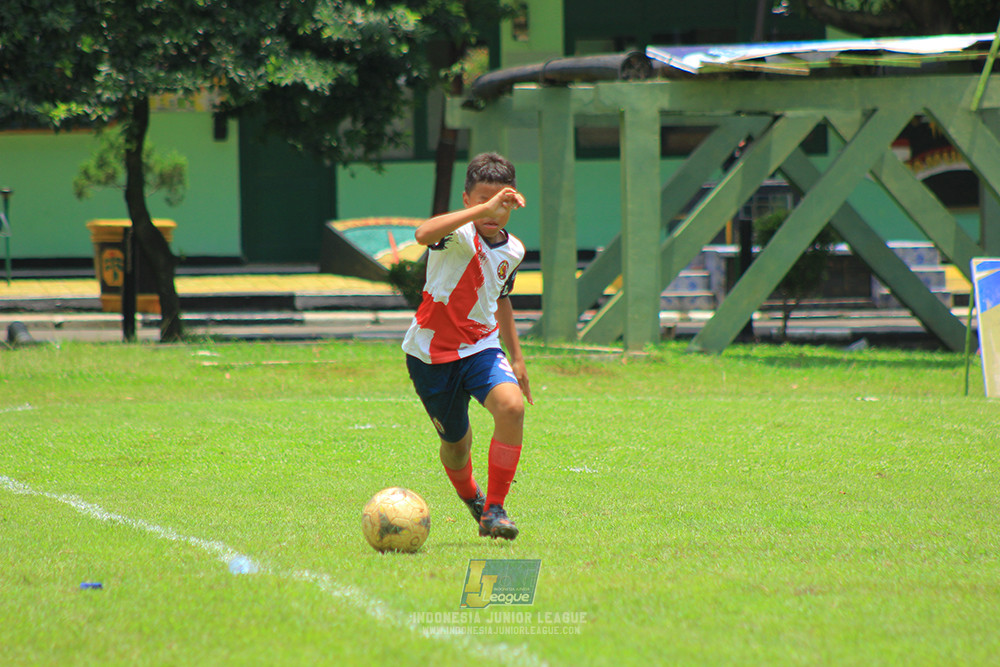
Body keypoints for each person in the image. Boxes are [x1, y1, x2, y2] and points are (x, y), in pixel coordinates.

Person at [402, 152, 533, 541]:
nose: (493, 212)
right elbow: (423, 234)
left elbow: (501, 297)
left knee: (511, 407)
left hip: (480, 347)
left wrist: (518, 358)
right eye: (483, 202)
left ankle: (495, 509)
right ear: (466, 200)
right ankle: (472, 497)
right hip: (430, 355)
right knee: (456, 447)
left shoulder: (514, 251)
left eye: (502, 203)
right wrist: (479, 213)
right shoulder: (456, 234)